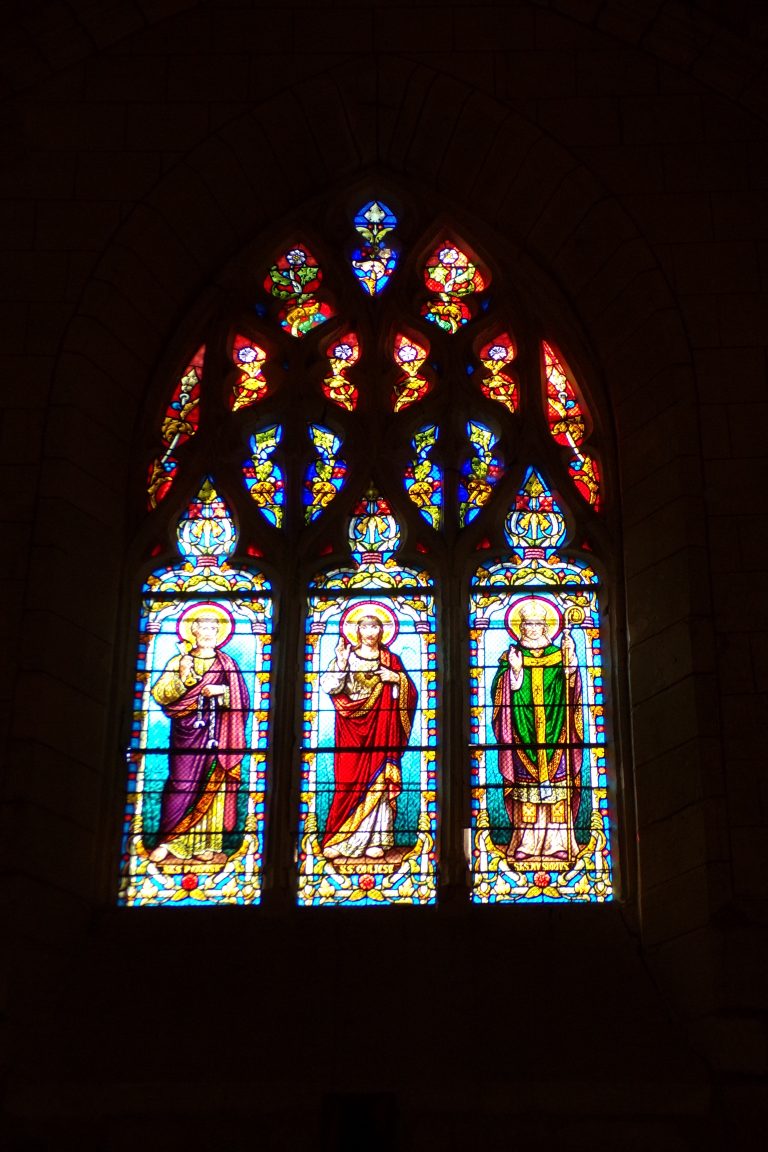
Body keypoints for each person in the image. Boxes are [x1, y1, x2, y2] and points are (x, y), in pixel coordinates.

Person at [147, 603, 249, 866]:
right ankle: (170, 841)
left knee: (214, 787)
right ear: (193, 629)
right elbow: (161, 695)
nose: (208, 631)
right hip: (187, 732)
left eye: (213, 627)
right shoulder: (179, 660)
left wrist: (221, 692)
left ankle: (206, 844)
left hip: (219, 734)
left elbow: (242, 699)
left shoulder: (227, 663)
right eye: (203, 626)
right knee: (181, 783)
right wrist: (182, 676)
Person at [491, 598, 585, 864]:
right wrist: (515, 672)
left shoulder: (559, 653)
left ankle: (559, 842)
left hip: (557, 732)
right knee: (527, 792)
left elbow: (571, 689)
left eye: (537, 624)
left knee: (557, 787)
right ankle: (526, 842)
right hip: (523, 732)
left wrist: (571, 663)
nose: (532, 628)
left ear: (545, 626)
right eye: (527, 624)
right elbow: (500, 693)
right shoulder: (512, 655)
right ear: (520, 626)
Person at [320, 610, 417, 860]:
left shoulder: (390, 659)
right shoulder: (346, 656)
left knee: (380, 782)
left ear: (381, 631)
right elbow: (330, 687)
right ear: (357, 631)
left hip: (382, 728)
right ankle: (340, 838)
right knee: (347, 782)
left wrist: (396, 678)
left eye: (375, 627)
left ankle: (377, 839)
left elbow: (410, 692)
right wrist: (340, 662)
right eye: (365, 627)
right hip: (351, 727)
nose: (370, 632)